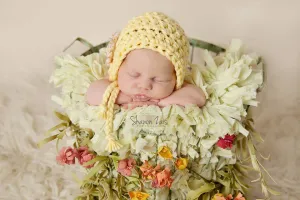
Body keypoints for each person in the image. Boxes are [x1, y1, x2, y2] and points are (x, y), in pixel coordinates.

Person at [85, 12, 206, 152]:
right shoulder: (114, 86)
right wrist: (125, 98)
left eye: (159, 79)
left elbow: (198, 97)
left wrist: (161, 102)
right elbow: (92, 93)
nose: (144, 85)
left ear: (176, 78)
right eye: (134, 75)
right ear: (118, 67)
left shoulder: (176, 90)